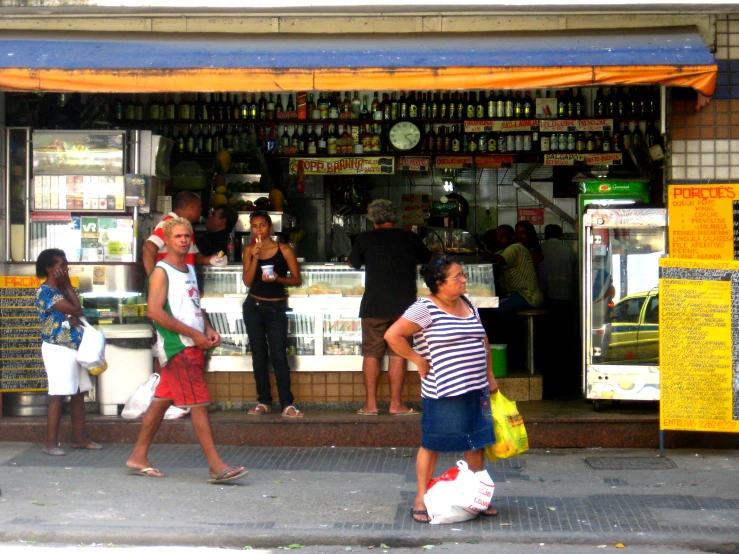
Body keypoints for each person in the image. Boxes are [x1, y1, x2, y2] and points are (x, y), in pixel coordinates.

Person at [126, 217, 246, 483]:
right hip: (178, 346)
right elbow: (154, 311)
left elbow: (193, 306)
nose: (183, 240)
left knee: (160, 402)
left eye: (186, 236)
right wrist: (194, 335)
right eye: (178, 236)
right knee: (199, 404)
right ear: (166, 240)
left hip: (191, 343)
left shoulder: (188, 269)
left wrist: (208, 327)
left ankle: (138, 455)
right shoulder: (162, 271)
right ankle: (215, 465)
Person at [384, 258, 499, 523]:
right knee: (432, 443)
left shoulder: (468, 304)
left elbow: (483, 339)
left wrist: (489, 375)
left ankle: (475, 497)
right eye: (457, 277)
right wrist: (417, 359)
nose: (463, 280)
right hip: (444, 389)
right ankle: (421, 498)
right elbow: (393, 335)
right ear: (439, 283)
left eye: (463, 275)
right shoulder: (424, 308)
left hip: (475, 386)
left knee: (476, 442)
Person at [348, 199, 432, 416]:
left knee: (371, 354)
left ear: (372, 218)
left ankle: (371, 405)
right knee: (397, 355)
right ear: (394, 217)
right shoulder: (410, 238)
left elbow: (353, 263)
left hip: (374, 305)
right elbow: (429, 260)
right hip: (404, 307)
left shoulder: (364, 238)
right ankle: (396, 405)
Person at [35, 248, 102, 456]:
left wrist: (68, 291)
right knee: (58, 395)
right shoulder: (45, 291)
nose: (65, 269)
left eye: (66, 265)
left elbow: (75, 312)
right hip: (57, 349)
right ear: (49, 269)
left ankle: (79, 438)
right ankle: (50, 443)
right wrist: (68, 287)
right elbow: (75, 309)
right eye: (61, 266)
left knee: (80, 392)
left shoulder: (63, 290)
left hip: (74, 346)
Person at [242, 210, 304, 418]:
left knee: (278, 355)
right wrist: (254, 258)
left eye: (262, 225)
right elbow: (248, 281)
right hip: (254, 307)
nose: (258, 229)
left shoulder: (284, 250)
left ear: (270, 228)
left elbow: (297, 280)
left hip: (276, 307)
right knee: (259, 355)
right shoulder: (249, 250)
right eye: (254, 226)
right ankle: (263, 401)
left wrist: (277, 279)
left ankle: (287, 403)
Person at [142, 190, 228, 276]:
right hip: (170, 281)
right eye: (199, 207)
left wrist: (212, 260)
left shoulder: (186, 228)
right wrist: (153, 278)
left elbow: (195, 257)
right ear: (191, 207)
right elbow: (148, 248)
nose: (201, 210)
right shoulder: (169, 224)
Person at [540, 224, 578, 396]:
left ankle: (549, 371)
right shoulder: (567, 250)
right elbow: (575, 272)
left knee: (547, 336)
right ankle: (564, 373)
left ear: (546, 234)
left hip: (547, 297)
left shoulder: (541, 249)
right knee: (563, 337)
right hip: (566, 297)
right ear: (561, 234)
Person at [515, 220, 547, 294]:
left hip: (535, 294)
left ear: (529, 234)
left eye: (523, 232)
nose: (519, 236)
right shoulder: (522, 249)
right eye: (517, 233)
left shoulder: (534, 252)